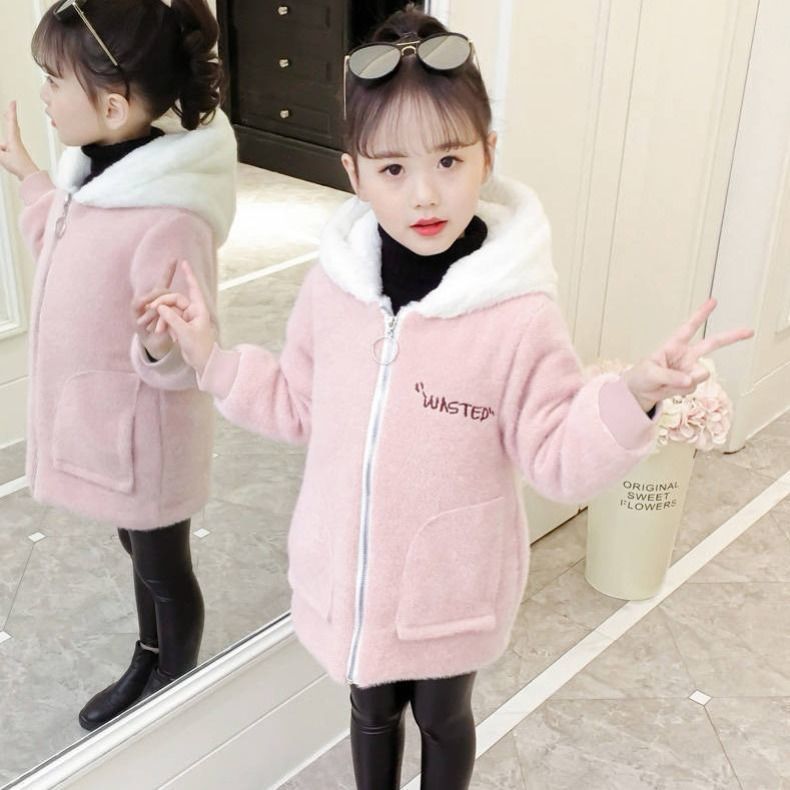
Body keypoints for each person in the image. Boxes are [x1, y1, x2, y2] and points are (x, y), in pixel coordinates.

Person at [148, 5, 752, 787]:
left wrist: (630, 397)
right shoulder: (334, 290)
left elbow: (554, 455)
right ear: (354, 174)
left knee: (441, 717)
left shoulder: (517, 314)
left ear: (487, 154)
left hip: (450, 589)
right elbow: (297, 402)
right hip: (350, 578)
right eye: (393, 169)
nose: (425, 194)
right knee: (368, 710)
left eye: (449, 159)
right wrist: (209, 357)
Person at [0, 0, 237, 731]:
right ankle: (150, 652)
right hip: (113, 427)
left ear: (109, 106)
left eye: (53, 80)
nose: (43, 94)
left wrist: (163, 344)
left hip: (149, 438)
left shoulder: (168, 215)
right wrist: (28, 173)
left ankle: (172, 678)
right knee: (136, 546)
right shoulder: (93, 175)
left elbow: (193, 350)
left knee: (163, 564)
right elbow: (65, 242)